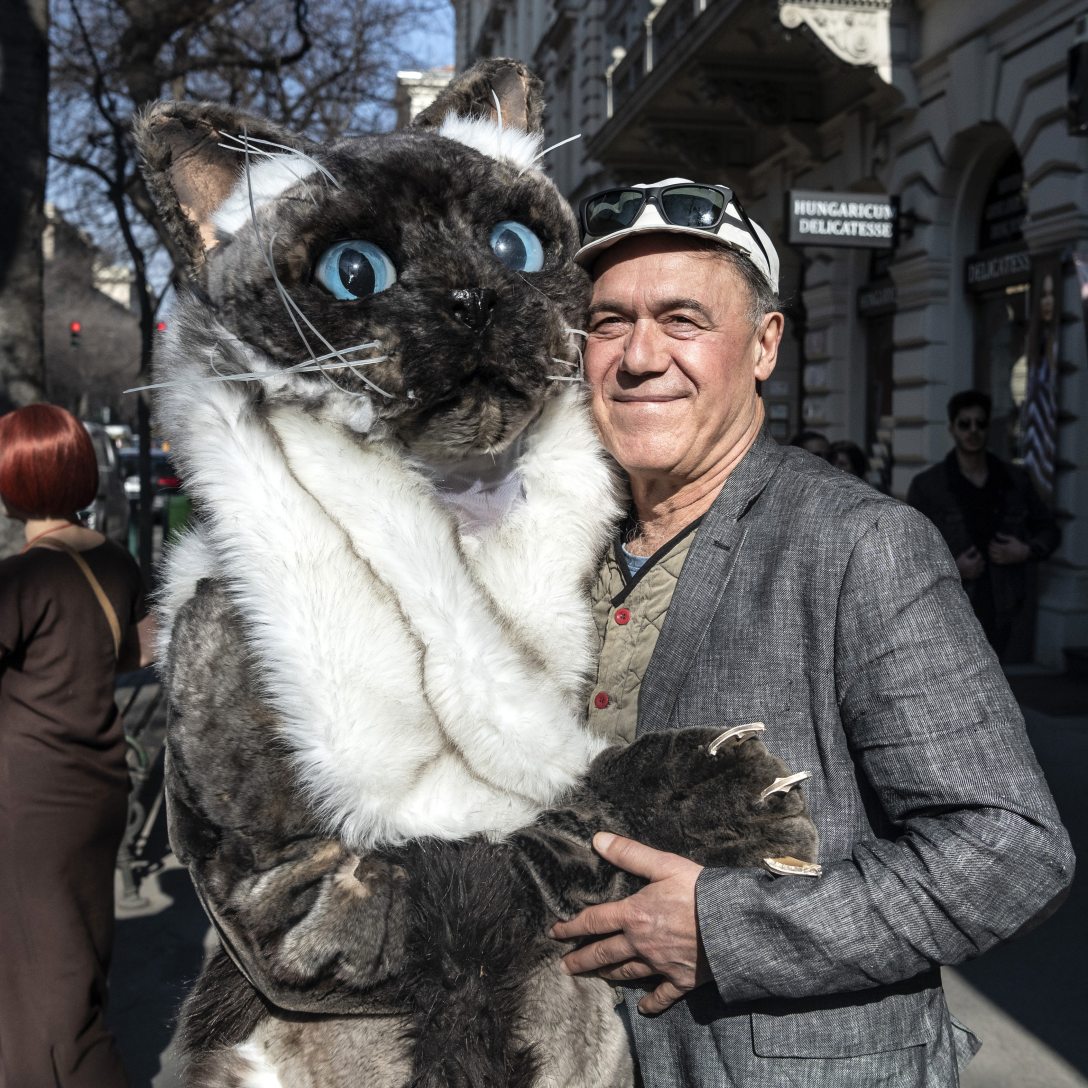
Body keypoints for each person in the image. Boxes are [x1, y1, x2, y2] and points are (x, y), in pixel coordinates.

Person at [550, 180, 1074, 1086]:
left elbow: (1010, 849)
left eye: (682, 320)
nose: (639, 357)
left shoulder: (859, 545)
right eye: (609, 323)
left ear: (764, 345)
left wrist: (724, 929)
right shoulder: (553, 546)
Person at [0, 404, 148, 1088]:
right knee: (76, 966)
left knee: (46, 1000)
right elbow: (133, 652)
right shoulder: (116, 562)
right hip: (100, 789)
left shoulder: (23, 578)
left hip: (30, 804)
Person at [906, 390, 1060, 658]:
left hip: (1005, 608)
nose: (973, 431)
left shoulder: (1015, 480)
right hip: (951, 609)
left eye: (980, 423)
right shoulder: (928, 486)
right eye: (965, 424)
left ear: (988, 427)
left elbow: (1049, 530)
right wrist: (953, 568)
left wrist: (1025, 550)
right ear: (952, 429)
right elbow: (909, 554)